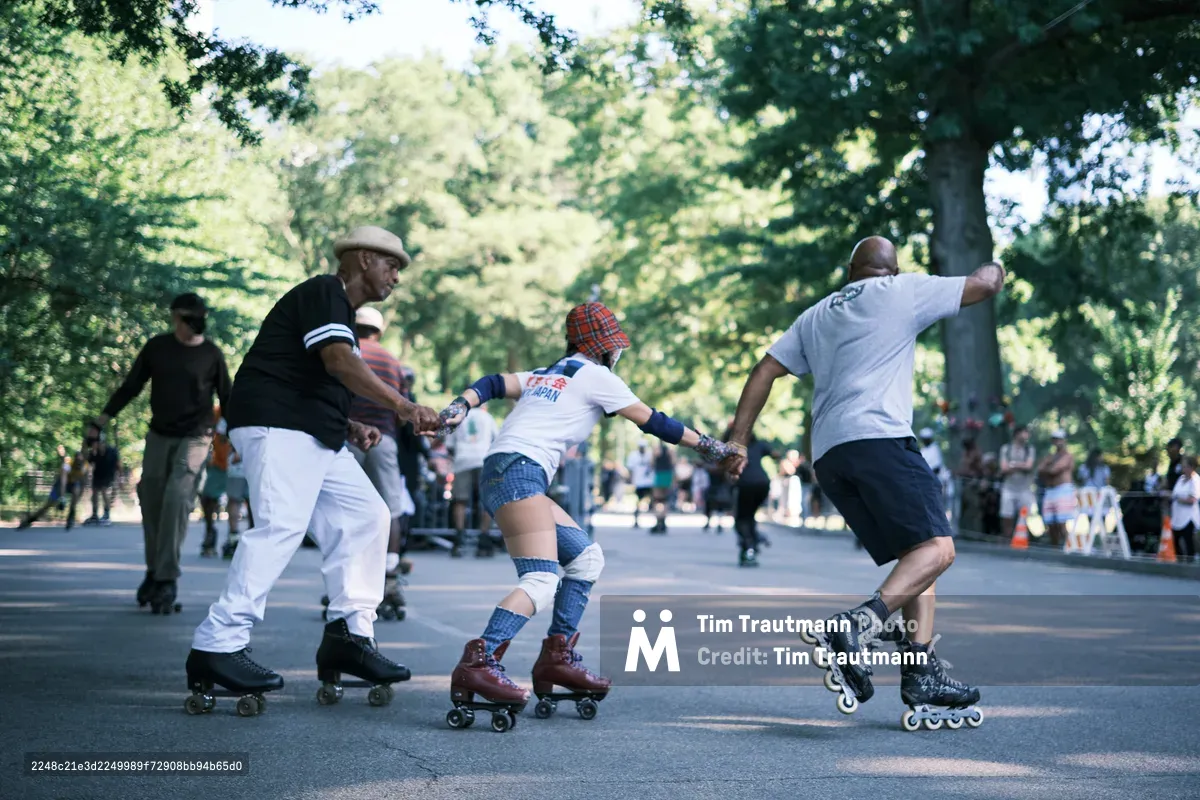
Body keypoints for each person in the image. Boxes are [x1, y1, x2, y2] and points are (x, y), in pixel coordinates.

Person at [724, 236, 1003, 727]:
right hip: (881, 440)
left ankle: (922, 672)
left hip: (830, 456)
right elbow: (982, 286)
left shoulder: (815, 315)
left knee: (918, 559)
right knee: (939, 550)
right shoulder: (903, 291)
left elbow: (765, 370)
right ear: (892, 271)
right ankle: (856, 626)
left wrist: (740, 440)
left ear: (849, 270)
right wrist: (996, 263)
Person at [435, 301, 738, 726]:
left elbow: (490, 382)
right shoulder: (597, 376)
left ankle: (556, 657)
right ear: (604, 348)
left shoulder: (548, 374)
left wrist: (459, 406)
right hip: (519, 473)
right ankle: (480, 661)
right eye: (614, 346)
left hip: (510, 471)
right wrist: (715, 447)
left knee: (585, 557)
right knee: (540, 579)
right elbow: (655, 422)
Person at [184, 226, 441, 712]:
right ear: (364, 259)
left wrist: (347, 424)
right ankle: (217, 643)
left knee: (368, 516)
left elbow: (310, 375)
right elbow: (339, 362)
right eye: (392, 265)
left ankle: (349, 635)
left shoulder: (336, 310)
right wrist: (404, 407)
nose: (397, 278)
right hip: (275, 426)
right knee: (281, 525)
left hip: (311, 432)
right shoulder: (326, 291)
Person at [87, 293, 232, 612]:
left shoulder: (211, 355)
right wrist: (100, 421)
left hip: (196, 437)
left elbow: (228, 399)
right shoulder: (158, 347)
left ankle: (167, 579)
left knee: (177, 500)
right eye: (184, 319)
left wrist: (240, 439)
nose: (188, 325)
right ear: (176, 319)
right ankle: (154, 572)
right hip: (159, 435)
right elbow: (131, 385)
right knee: (151, 501)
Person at [340, 305, 417, 616]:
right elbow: (402, 410)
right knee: (391, 508)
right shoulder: (391, 360)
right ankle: (389, 577)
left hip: (349, 436)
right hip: (383, 439)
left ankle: (346, 578)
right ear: (379, 330)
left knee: (347, 509)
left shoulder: (347, 352)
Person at [445, 404, 499, 557]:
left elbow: (450, 445)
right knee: (486, 501)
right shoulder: (487, 417)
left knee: (460, 501)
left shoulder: (457, 417)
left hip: (462, 460)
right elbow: (497, 438)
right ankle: (484, 537)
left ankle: (459, 538)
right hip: (484, 458)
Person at [732, 432, 773, 566]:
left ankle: (748, 546)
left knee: (742, 518)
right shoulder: (759, 445)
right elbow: (775, 453)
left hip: (746, 484)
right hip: (763, 483)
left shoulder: (734, 446)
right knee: (749, 515)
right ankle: (753, 541)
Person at [1037, 430, 1076, 547]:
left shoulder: (1068, 456)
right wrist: (1048, 466)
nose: (1057, 442)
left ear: (1064, 440)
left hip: (1063, 490)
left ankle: (1068, 546)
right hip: (1050, 491)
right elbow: (1039, 469)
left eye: (1059, 439)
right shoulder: (1050, 456)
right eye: (1055, 439)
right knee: (1050, 522)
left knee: (1061, 522)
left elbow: (1054, 470)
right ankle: (1055, 547)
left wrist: (1048, 466)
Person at [998, 425, 1036, 540]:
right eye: (1024, 432)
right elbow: (1003, 468)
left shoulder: (1029, 449)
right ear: (1017, 434)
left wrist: (1013, 464)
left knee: (1024, 516)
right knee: (1006, 515)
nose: (1027, 435)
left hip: (1024, 489)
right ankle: (1007, 539)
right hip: (1008, 488)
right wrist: (1021, 465)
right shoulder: (1006, 449)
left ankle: (1022, 541)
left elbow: (1029, 466)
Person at [84, 433, 121, 526]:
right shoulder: (93, 452)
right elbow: (88, 463)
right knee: (95, 492)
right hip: (98, 473)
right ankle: (94, 514)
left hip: (109, 473)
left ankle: (106, 514)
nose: (94, 445)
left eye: (96, 443)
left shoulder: (112, 451)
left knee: (104, 490)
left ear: (102, 443)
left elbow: (119, 464)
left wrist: (120, 478)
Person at [1170, 456, 1199, 563]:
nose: (1183, 468)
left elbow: (1192, 499)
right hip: (1177, 516)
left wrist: (1179, 499)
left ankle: (1190, 564)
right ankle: (1180, 562)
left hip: (1189, 517)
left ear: (1192, 467)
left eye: (1186, 466)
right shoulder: (1180, 479)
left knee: (1188, 541)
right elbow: (1174, 493)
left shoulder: (1195, 480)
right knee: (1175, 540)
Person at [625, 442, 654, 528]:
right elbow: (630, 469)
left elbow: (653, 465)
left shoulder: (650, 455)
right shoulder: (633, 455)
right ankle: (636, 520)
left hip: (649, 481)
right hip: (639, 481)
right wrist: (630, 479)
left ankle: (656, 520)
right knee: (638, 501)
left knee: (653, 500)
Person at [649, 444, 675, 534]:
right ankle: (663, 521)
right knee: (665, 500)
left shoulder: (656, 449)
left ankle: (658, 521)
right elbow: (673, 462)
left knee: (657, 499)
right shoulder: (670, 450)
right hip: (668, 474)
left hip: (659, 474)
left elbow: (651, 463)